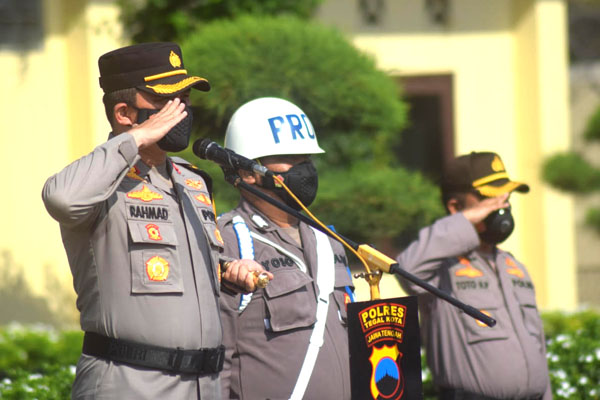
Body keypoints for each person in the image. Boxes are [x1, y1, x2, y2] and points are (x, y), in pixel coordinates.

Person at [42, 42, 270, 400]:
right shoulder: (99, 182)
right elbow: (61, 199)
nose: (182, 111)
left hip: (204, 385)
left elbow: (177, 267)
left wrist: (228, 271)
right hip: (132, 383)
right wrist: (135, 139)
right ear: (123, 113)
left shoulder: (193, 181)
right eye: (167, 101)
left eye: (186, 99)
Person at [216, 97, 355, 399]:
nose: (305, 169)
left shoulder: (328, 239)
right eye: (290, 158)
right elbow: (217, 357)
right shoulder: (227, 240)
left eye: (306, 158)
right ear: (248, 172)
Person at [396, 151, 552, 400]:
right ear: (455, 207)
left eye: (506, 196)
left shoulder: (514, 266)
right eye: (488, 198)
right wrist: (464, 221)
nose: (502, 205)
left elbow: (538, 350)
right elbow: (407, 270)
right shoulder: (440, 268)